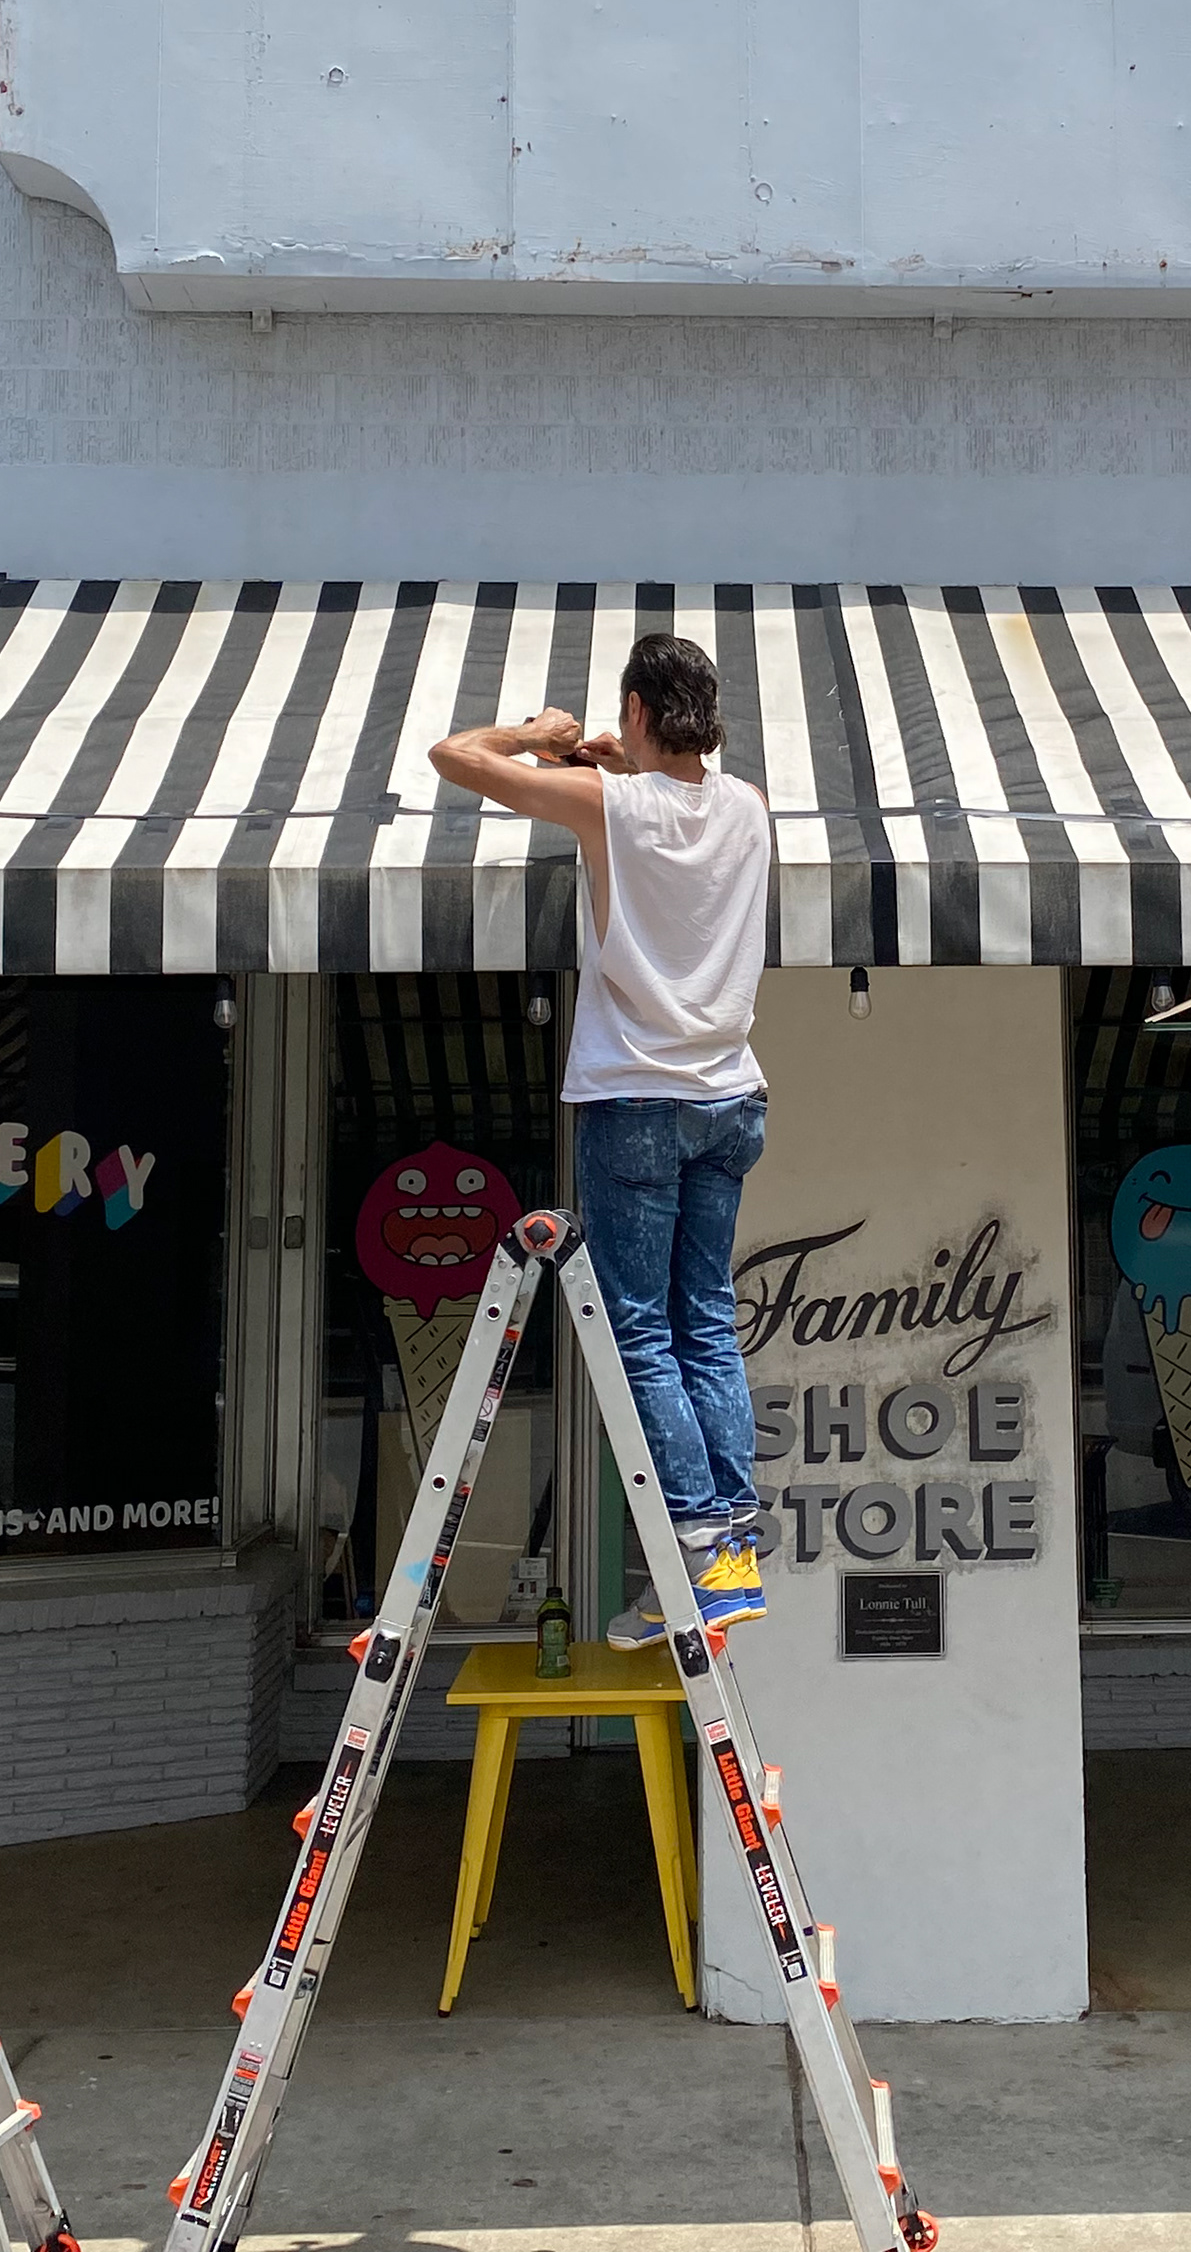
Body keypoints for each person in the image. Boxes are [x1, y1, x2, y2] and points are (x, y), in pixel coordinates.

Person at [430, 635, 775, 1647]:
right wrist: (614, 761)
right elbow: (672, 795)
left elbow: (454, 757)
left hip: (636, 1100)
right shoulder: (749, 807)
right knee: (706, 1321)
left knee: (641, 1333)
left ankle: (695, 1550)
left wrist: (533, 734)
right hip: (731, 1097)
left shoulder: (608, 807)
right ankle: (729, 1550)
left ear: (634, 709)